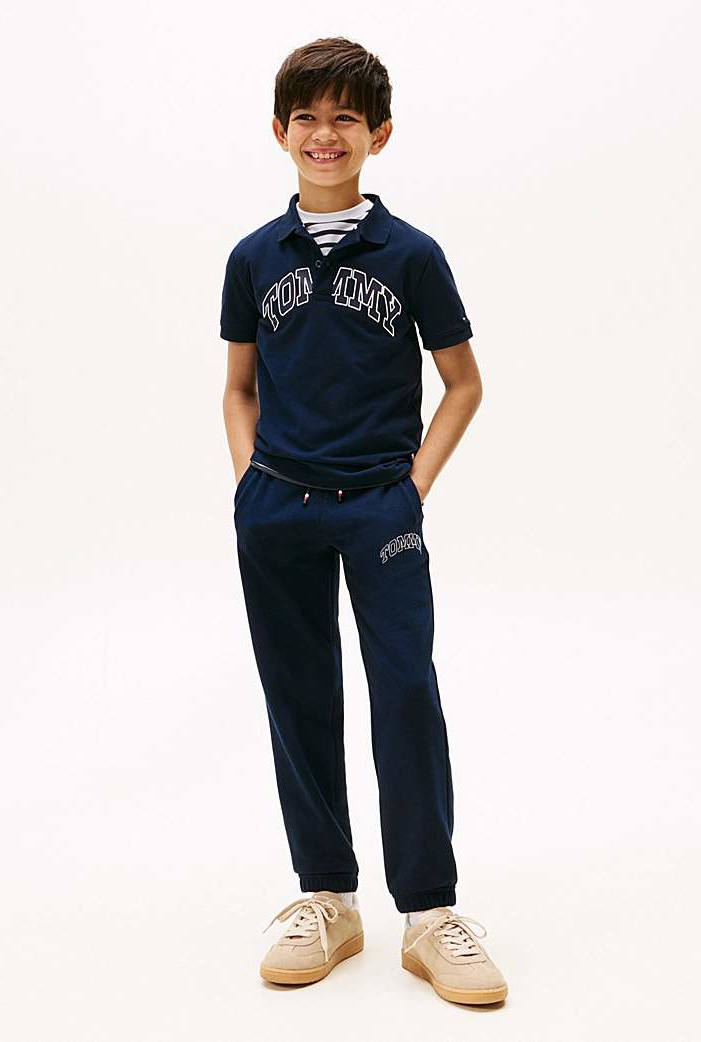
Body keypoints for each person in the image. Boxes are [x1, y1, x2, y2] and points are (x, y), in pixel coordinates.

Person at [220, 35, 508, 1006]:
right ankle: (327, 899)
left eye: (345, 117)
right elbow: (237, 387)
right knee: (297, 695)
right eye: (306, 116)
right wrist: (248, 483)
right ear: (278, 131)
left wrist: (411, 488)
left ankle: (428, 912)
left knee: (404, 691)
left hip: (380, 507)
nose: (324, 133)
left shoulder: (411, 255)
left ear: (378, 134)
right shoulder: (253, 257)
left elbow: (463, 383)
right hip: (276, 508)